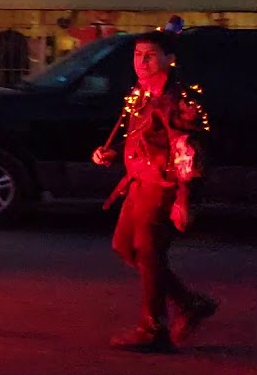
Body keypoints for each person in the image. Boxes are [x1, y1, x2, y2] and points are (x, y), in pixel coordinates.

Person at [92, 30, 218, 353]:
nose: (141, 62)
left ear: (168, 59)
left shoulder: (175, 101)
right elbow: (143, 137)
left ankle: (153, 327)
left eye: (149, 55)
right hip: (138, 183)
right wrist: (113, 151)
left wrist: (184, 199)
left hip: (160, 187)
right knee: (124, 246)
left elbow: (187, 152)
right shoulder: (141, 93)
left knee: (149, 253)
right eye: (137, 55)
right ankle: (188, 302)